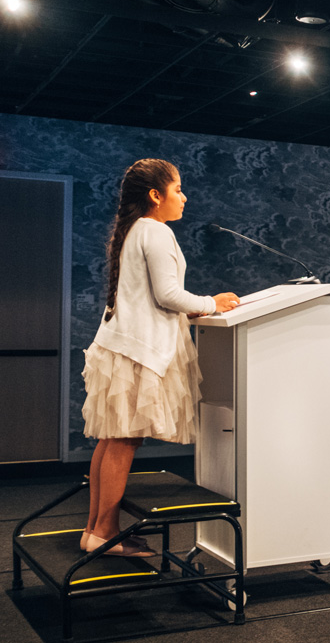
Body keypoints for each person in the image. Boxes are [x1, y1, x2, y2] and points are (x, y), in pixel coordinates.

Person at [81, 159, 240, 557]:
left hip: (122, 345)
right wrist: (212, 303)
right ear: (156, 195)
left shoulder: (136, 230)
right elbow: (168, 295)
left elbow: (148, 298)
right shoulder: (156, 231)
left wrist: (193, 310)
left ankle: (96, 530)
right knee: (123, 441)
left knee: (113, 439)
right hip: (138, 350)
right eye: (179, 189)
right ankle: (104, 533)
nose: (184, 197)